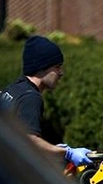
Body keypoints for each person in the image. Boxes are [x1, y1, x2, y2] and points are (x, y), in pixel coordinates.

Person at [0, 35, 93, 168]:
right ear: (42, 67)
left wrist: (53, 149)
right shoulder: (31, 98)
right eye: (57, 67)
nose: (61, 73)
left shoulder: (13, 89)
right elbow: (30, 142)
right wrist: (67, 153)